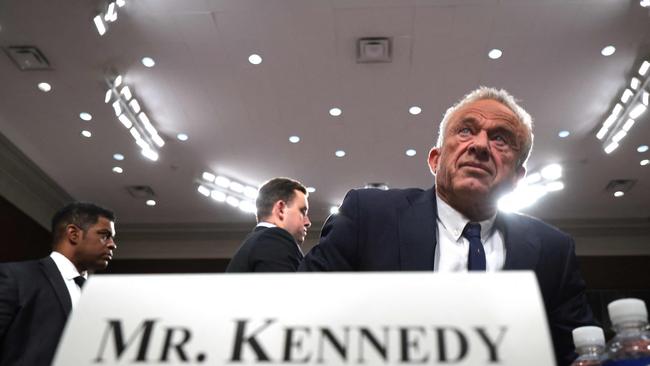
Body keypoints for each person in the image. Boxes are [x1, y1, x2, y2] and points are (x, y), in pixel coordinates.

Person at [299, 87, 595, 366]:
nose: (480, 145)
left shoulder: (553, 250)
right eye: (466, 130)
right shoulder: (370, 216)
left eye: (500, 139)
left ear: (518, 176)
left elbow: (580, 352)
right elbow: (301, 314)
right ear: (435, 159)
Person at [0, 202, 117, 366]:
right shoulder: (16, 277)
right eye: (104, 235)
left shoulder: (100, 298)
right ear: (73, 234)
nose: (112, 244)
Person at [226, 177, 311, 272]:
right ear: (281, 209)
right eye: (303, 212)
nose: (308, 222)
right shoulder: (275, 240)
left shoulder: (257, 242)